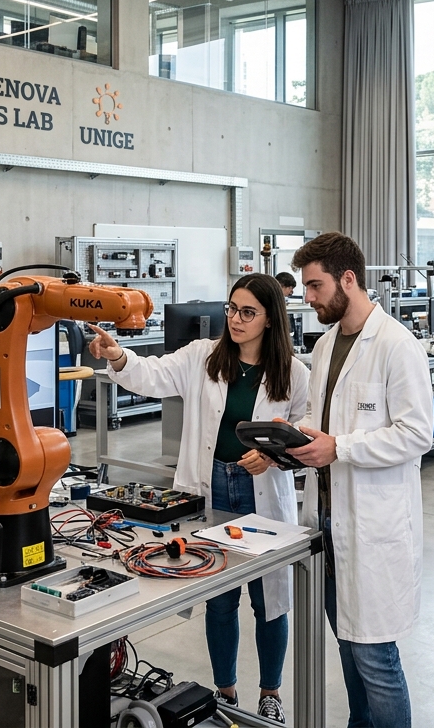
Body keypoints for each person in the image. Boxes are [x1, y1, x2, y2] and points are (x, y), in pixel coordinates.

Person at [92, 273, 308, 723]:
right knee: (219, 594)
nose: (235, 319)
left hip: (260, 493)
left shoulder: (294, 372)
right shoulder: (203, 356)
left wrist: (273, 457)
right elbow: (152, 374)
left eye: (248, 312)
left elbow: (305, 435)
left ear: (270, 319)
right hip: (211, 486)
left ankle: (271, 692)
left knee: (269, 601)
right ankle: (225, 691)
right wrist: (118, 356)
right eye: (231, 309)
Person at [285, 232, 433, 728]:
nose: (308, 298)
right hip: (328, 520)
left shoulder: (396, 345)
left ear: (348, 279)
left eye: (315, 286)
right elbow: (320, 419)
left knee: (375, 658)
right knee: (347, 647)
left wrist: (338, 447)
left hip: (373, 524)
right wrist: (294, 444)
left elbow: (416, 434)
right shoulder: (326, 346)